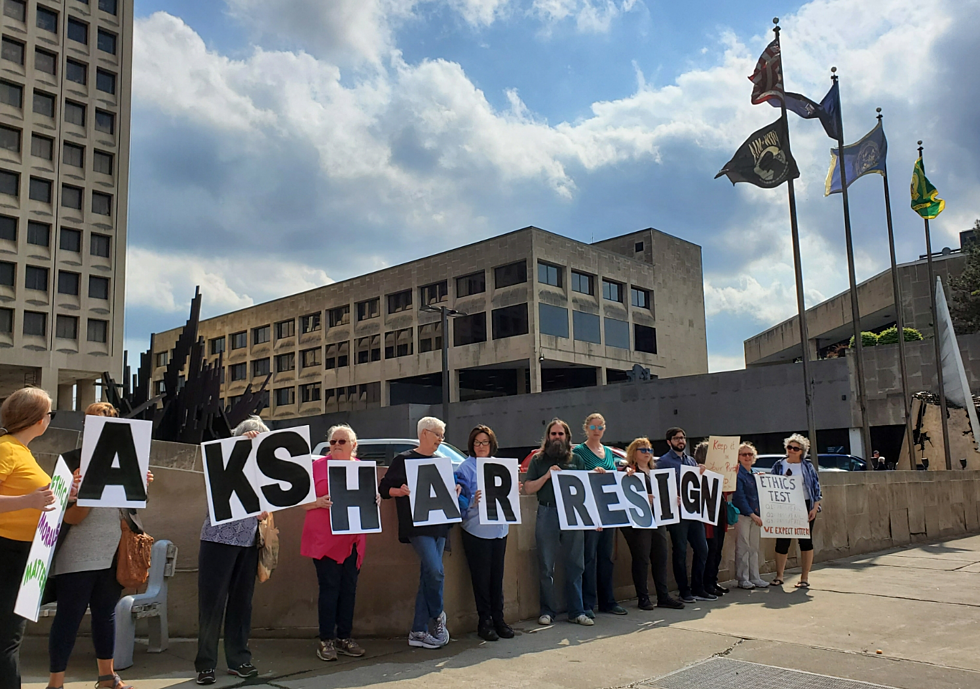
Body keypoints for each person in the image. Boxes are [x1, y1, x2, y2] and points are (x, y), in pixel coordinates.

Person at [47, 403, 153, 689]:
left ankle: (108, 677)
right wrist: (81, 489)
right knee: (69, 617)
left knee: (106, 615)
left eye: (107, 423)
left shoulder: (128, 458)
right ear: (85, 427)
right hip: (77, 552)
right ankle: (55, 683)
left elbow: (129, 509)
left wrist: (140, 485)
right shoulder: (70, 461)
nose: (101, 428)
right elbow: (68, 516)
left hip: (113, 552)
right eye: (94, 423)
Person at [195, 416, 269, 684]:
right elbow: (214, 475)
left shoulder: (263, 468)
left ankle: (239, 659)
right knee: (211, 604)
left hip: (247, 541)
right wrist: (237, 446)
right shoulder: (222, 458)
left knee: (241, 604)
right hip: (217, 540)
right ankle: (206, 664)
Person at [379, 417, 458, 649]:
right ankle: (437, 617)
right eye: (437, 435)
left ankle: (418, 630)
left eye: (442, 436)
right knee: (435, 571)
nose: (440, 440)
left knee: (428, 576)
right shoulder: (403, 460)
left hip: (440, 524)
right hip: (417, 525)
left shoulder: (441, 461)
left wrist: (454, 490)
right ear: (424, 433)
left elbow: (445, 490)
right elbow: (384, 489)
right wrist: (400, 491)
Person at [0, 387, 57, 689]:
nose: (49, 419)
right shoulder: (7, 449)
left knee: (8, 639)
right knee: (6, 640)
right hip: (7, 552)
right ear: (37, 419)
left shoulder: (20, 451)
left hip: (22, 553)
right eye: (50, 413)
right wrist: (28, 501)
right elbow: (29, 499)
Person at [301, 424, 372, 662]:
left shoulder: (362, 469)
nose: (337, 446)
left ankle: (344, 637)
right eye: (333, 442)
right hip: (324, 541)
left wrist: (375, 501)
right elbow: (300, 500)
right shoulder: (316, 467)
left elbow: (368, 502)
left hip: (352, 541)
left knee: (348, 590)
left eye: (342, 441)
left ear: (354, 444)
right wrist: (317, 502)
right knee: (329, 589)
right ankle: (326, 640)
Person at [523, 419, 591, 626]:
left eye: (561, 434)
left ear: (567, 437)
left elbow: (586, 489)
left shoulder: (577, 460)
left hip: (573, 514)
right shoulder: (538, 460)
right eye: (553, 434)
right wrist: (546, 476)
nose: (557, 438)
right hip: (547, 511)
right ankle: (547, 611)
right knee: (546, 565)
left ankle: (576, 611)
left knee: (575, 564)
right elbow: (528, 488)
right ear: (548, 437)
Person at [454, 425, 514, 641]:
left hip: (499, 530)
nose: (481, 446)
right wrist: (472, 501)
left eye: (485, 442)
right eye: (477, 442)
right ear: (472, 444)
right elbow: (456, 503)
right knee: (481, 578)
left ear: (492, 444)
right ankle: (485, 621)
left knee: (497, 578)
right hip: (476, 530)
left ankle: (499, 619)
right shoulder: (465, 468)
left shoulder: (500, 466)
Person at [619, 438, 684, 610]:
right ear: (634, 452)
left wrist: (673, 499)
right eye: (643, 450)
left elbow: (663, 493)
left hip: (659, 520)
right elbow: (622, 493)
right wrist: (641, 497)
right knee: (641, 559)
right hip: (640, 522)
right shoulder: (630, 472)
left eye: (650, 450)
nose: (647, 453)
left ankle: (663, 596)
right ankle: (643, 597)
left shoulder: (656, 472)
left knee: (661, 557)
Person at [572, 413, 627, 617]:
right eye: (593, 427)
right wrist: (591, 473)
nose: (597, 431)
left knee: (607, 557)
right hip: (589, 510)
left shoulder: (608, 452)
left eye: (600, 427)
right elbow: (575, 477)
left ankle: (608, 601)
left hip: (608, 511)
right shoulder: (579, 451)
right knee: (589, 557)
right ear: (587, 429)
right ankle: (587, 603)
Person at [657, 428, 716, 603]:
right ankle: (684, 590)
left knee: (702, 549)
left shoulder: (690, 461)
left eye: (682, 438)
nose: (680, 441)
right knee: (680, 551)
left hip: (694, 512)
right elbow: (659, 486)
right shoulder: (664, 462)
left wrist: (702, 471)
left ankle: (698, 588)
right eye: (676, 438)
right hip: (677, 514)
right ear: (669, 442)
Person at [770, 433, 822, 589]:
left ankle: (804, 577)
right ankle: (779, 576)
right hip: (784, 506)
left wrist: (814, 508)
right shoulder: (779, 465)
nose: (791, 450)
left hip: (804, 505)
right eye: (789, 447)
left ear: (802, 451)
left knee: (805, 541)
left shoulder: (807, 466)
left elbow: (816, 488)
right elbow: (771, 483)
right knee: (782, 541)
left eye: (795, 448)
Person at [693, 441, 730, 597]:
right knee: (711, 549)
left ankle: (713, 580)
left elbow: (729, 489)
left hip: (720, 513)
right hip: (707, 515)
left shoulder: (719, 470)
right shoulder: (698, 471)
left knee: (718, 550)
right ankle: (705, 583)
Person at [732, 442, 769, 589]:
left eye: (750, 454)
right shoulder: (737, 474)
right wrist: (752, 514)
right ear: (738, 457)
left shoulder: (755, 474)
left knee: (754, 547)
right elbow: (739, 497)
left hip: (756, 515)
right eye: (743, 454)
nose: (747, 457)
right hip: (743, 515)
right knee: (743, 547)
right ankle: (743, 578)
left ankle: (755, 576)